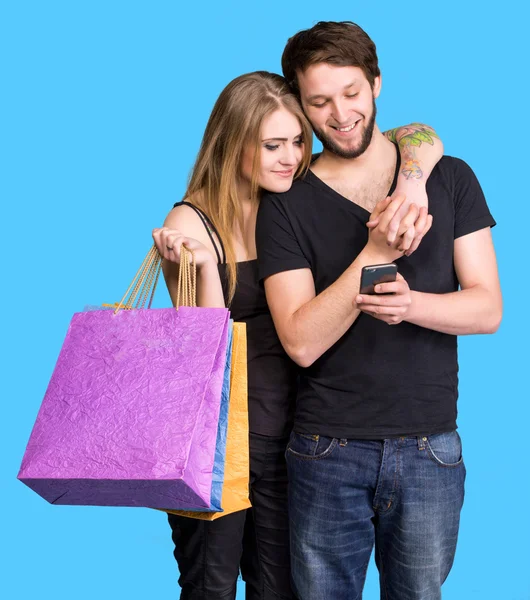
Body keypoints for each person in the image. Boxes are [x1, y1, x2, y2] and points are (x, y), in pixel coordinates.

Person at [153, 70, 443, 600]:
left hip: (293, 438)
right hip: (220, 446)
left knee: (281, 588)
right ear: (233, 142)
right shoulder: (191, 223)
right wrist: (202, 269)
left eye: (296, 141)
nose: (289, 157)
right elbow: (207, 356)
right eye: (271, 145)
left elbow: (414, 133)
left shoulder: (286, 201)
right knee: (210, 587)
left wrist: (412, 180)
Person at [255, 22, 502, 600]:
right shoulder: (286, 204)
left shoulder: (448, 178)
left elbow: (488, 308)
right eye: (318, 102)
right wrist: (376, 252)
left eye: (351, 94)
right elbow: (300, 341)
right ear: (300, 105)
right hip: (326, 449)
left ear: (377, 85)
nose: (339, 115)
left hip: (431, 448)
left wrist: (413, 305)